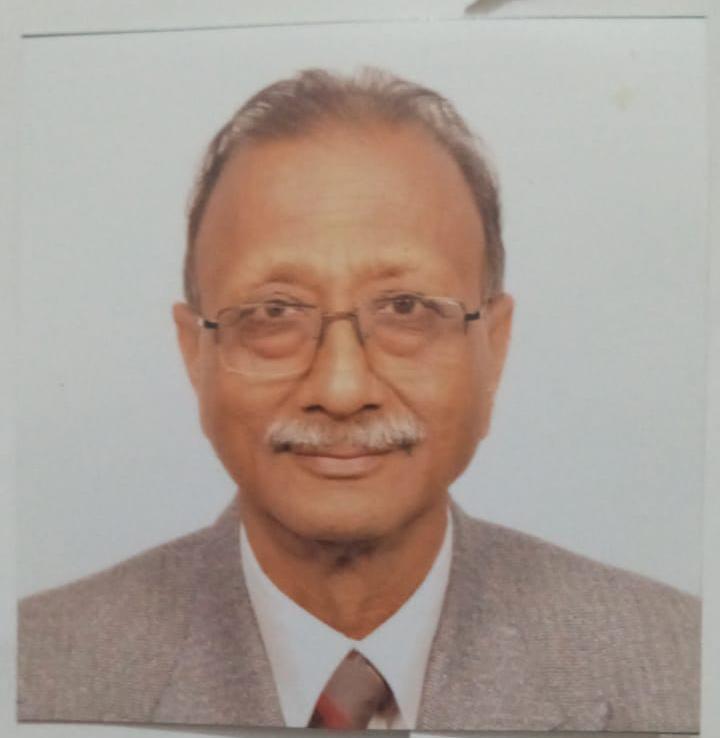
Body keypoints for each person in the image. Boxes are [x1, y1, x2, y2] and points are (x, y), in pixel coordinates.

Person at [17, 68, 700, 733]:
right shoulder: (34, 676)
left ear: (493, 347)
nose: (341, 390)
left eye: (405, 308)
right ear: (196, 353)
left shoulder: (682, 669)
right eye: (274, 312)